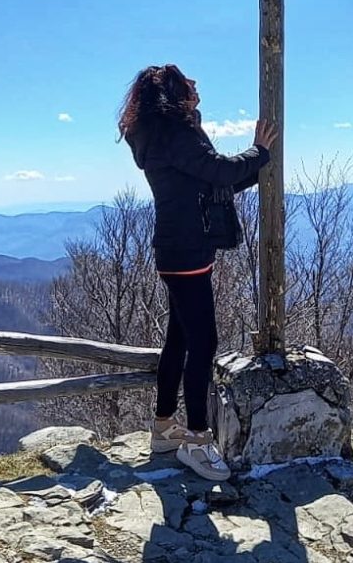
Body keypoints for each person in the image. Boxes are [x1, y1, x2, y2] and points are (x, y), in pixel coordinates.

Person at [118, 63, 278, 480]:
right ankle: (196, 440)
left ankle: (163, 427)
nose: (196, 93)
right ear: (174, 94)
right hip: (187, 253)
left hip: (176, 251)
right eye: (189, 87)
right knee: (204, 343)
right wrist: (258, 152)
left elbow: (208, 180)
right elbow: (220, 170)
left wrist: (250, 167)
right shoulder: (176, 134)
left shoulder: (159, 137)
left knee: (180, 339)